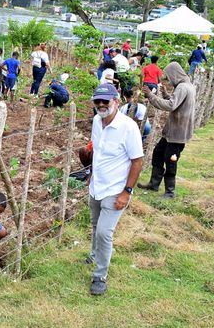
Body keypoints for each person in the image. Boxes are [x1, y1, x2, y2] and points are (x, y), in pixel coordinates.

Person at [87, 83, 143, 295]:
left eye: (105, 101)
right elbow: (97, 153)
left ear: (116, 102)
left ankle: (100, 275)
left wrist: (126, 192)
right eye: (97, 101)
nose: (101, 105)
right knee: (95, 224)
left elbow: (137, 161)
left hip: (116, 189)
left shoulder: (128, 127)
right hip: (96, 185)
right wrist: (91, 176)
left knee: (104, 232)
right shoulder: (96, 121)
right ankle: (94, 254)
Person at [139, 62, 196, 198]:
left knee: (171, 160)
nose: (169, 79)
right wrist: (165, 94)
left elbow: (171, 106)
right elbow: (177, 102)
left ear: (175, 74)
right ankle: (154, 184)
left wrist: (151, 97)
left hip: (177, 132)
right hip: (173, 131)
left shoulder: (182, 87)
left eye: (170, 76)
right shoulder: (187, 85)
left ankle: (170, 192)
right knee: (158, 154)